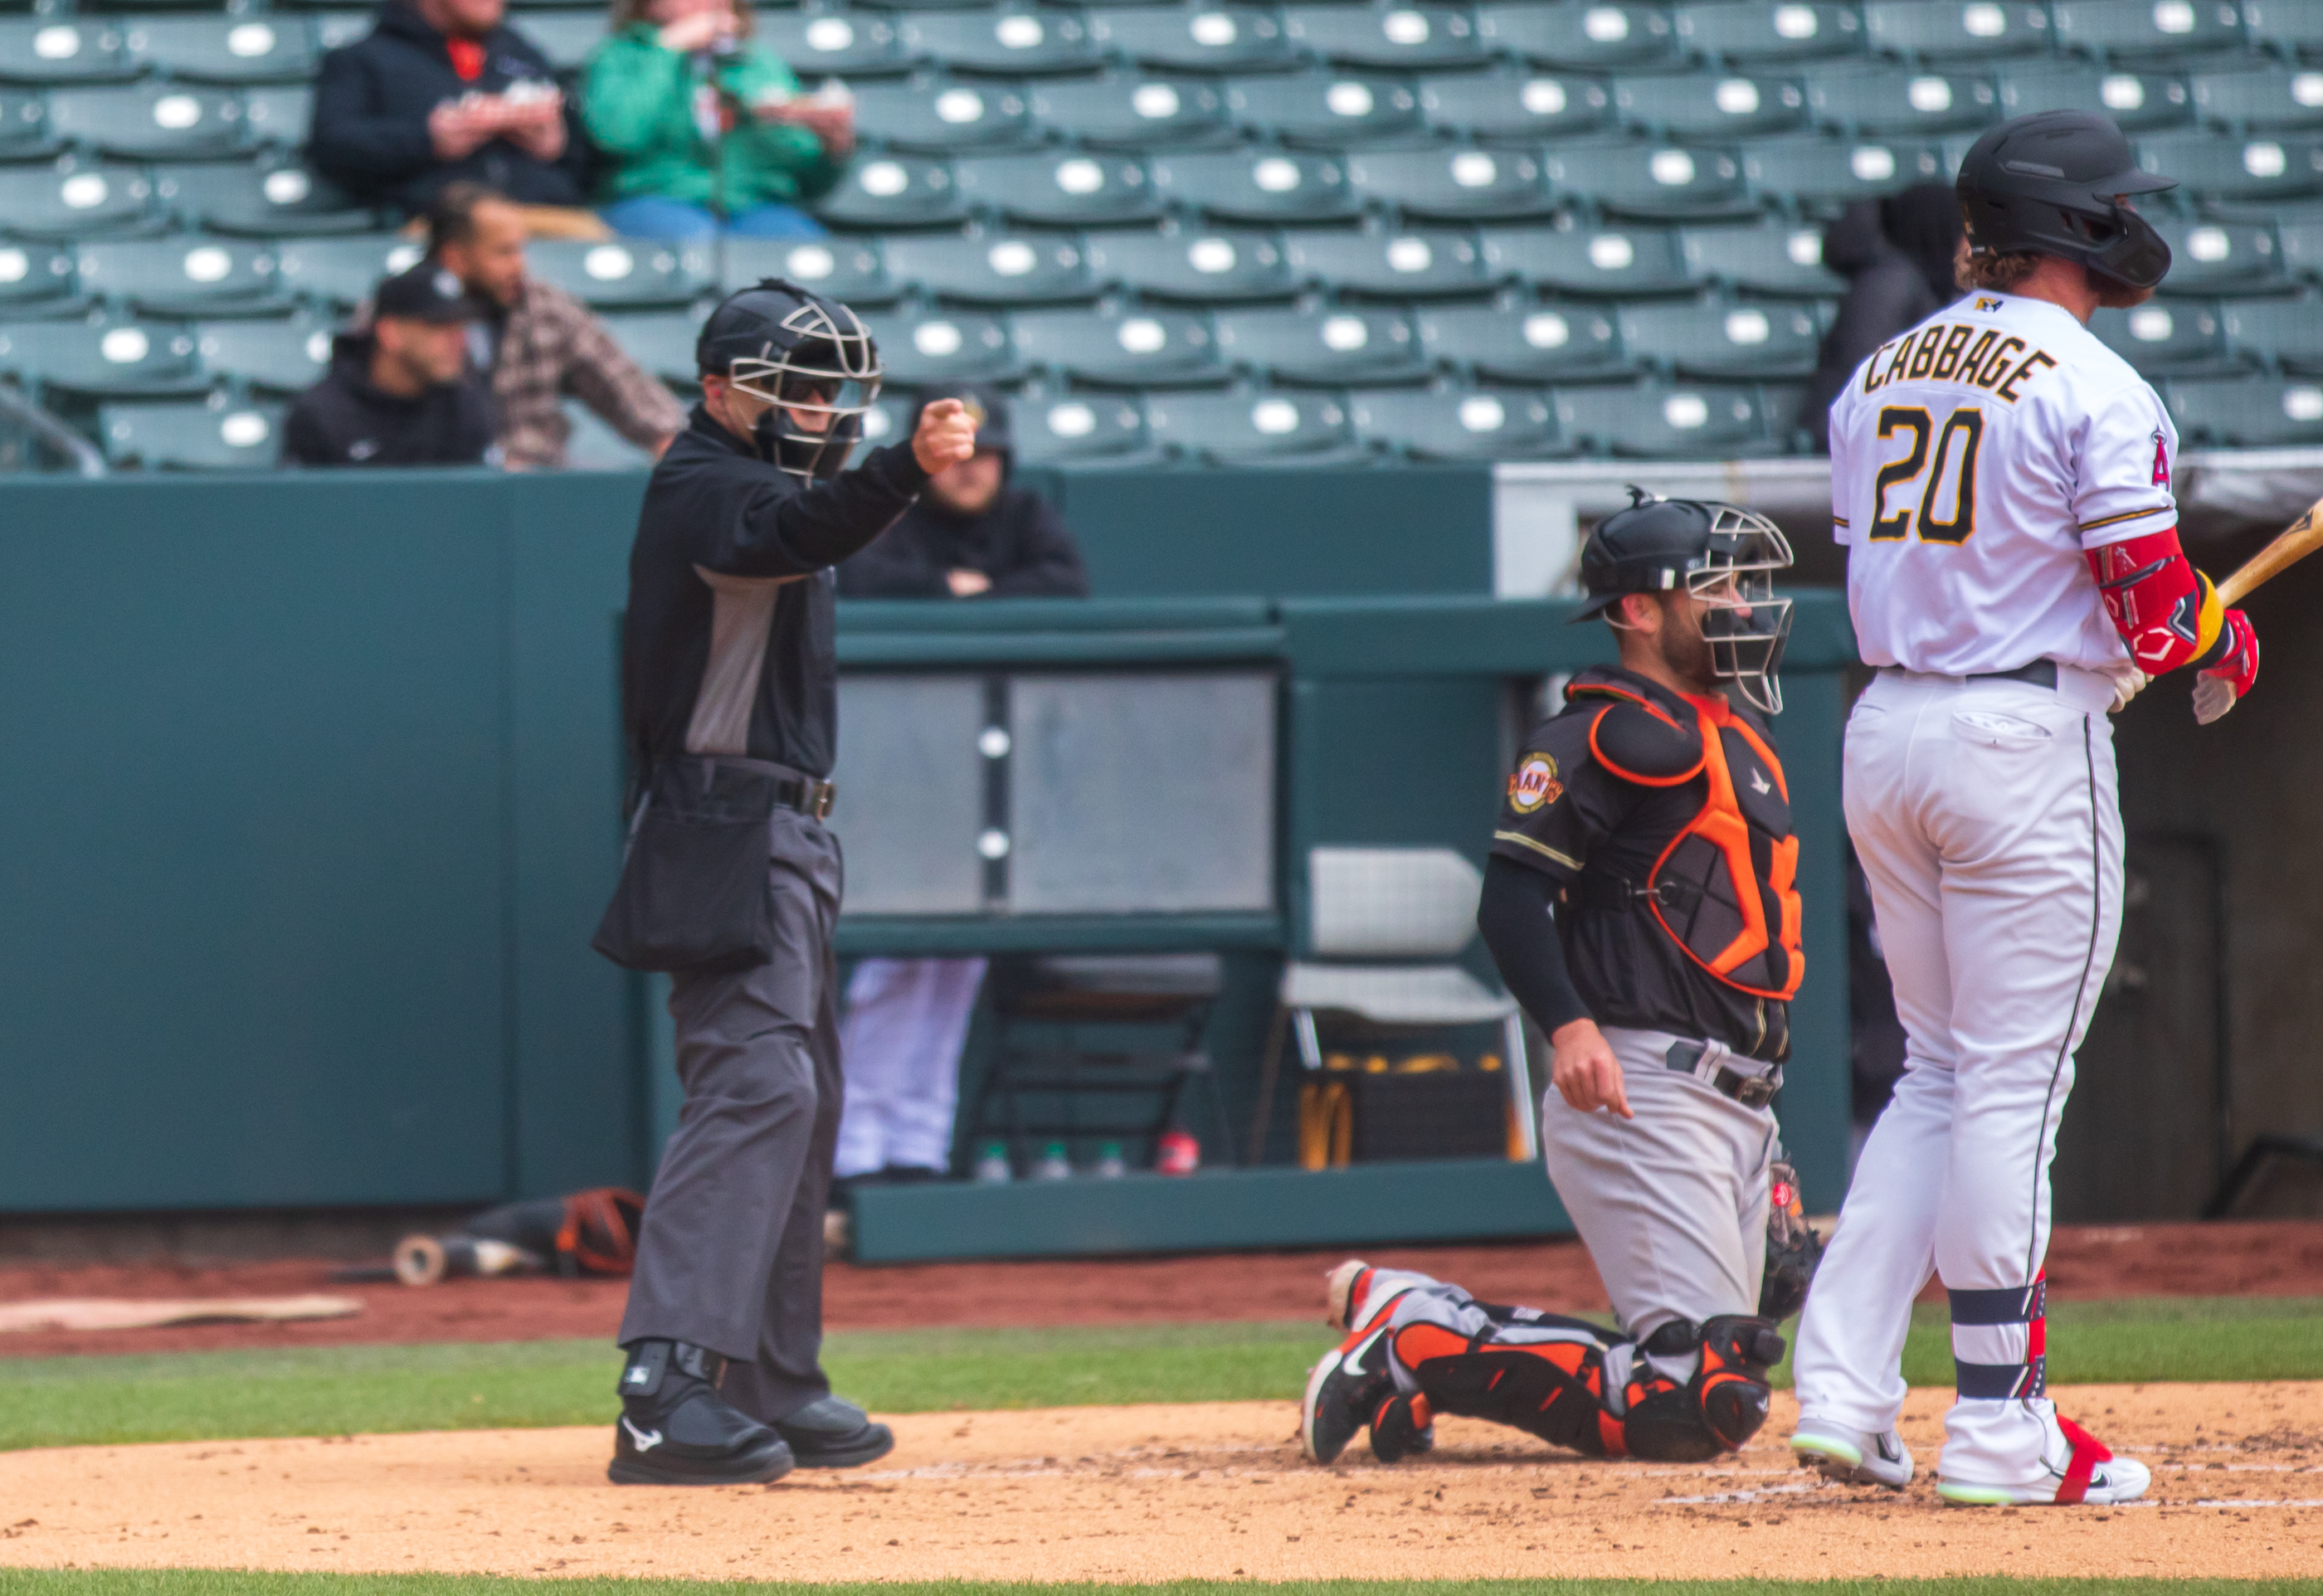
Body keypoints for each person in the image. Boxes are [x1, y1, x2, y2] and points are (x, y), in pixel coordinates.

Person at [1794, 110, 2257, 1507]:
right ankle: (2000, 1423)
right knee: (2006, 1078)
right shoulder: (2094, 382)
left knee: (1938, 1071)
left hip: (1889, 726)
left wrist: (2144, 631)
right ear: (2077, 229)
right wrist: (2216, 639)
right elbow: (2153, 604)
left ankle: (1842, 1390)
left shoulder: (1880, 366)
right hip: (2016, 736)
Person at [1300, 491, 1803, 1467]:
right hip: (1639, 1076)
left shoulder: (1737, 737)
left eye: (1743, 583)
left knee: (1738, 1343)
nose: (1743, 606)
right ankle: (1417, 1331)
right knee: (1695, 1400)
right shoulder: (1602, 732)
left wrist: (1772, 1138)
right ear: (1639, 611)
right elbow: (1509, 901)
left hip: (1737, 1094)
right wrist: (1568, 1027)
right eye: (1717, 586)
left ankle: (1413, 1339)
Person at [597, 278, 977, 1487]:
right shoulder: (705, 484)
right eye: (794, 388)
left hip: (785, 831)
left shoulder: (773, 483)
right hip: (722, 822)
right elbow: (791, 532)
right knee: (757, 1081)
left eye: (830, 391)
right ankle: (664, 1390)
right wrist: (908, 468)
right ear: (720, 391)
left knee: (803, 1094)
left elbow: (807, 517)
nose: (818, 408)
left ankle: (769, 1381)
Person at [830, 387, 1089, 1190]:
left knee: (960, 962)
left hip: (992, 780)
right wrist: (959, 594)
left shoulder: (1026, 517)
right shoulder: (889, 512)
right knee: (898, 961)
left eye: (989, 454)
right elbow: (868, 585)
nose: (976, 470)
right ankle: (853, 1150)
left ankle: (916, 1146)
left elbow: (1066, 588)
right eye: (961, 454)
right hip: (903, 772)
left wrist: (966, 591)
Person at [426, 182, 685, 469]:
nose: (518, 265)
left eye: (520, 250)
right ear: (455, 257)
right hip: (429, 492)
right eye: (503, 252)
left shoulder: (546, 309)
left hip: (534, 490)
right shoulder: (398, 318)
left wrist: (671, 445)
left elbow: (632, 393)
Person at [582, 0, 852, 242]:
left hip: (756, 205)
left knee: (806, 251)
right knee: (702, 246)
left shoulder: (757, 61)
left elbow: (810, 180)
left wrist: (833, 146)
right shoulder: (620, 55)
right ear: (651, 6)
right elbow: (617, 135)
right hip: (653, 198)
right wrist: (667, 49)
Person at [311, 0, 596, 227]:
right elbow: (332, 146)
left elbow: (592, 154)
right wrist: (427, 139)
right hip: (439, 227)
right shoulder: (363, 58)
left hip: (546, 216)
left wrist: (557, 144)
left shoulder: (522, 53)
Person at [836, 387, 1089, 601]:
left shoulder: (1025, 511)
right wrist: (942, 584)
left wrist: (986, 592)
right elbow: (854, 576)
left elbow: (1068, 580)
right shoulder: (894, 514)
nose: (969, 469)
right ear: (922, 460)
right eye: (953, 454)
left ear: (1004, 461)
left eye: (983, 454)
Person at [281, 261, 496, 467]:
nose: (459, 341)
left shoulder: (464, 407)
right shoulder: (322, 415)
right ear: (390, 333)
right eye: (438, 326)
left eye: (460, 327)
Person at [1804, 185, 1964, 452]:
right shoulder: (1889, 285)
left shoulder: (1914, 280)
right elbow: (1863, 379)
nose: (1970, 246)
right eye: (1964, 231)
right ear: (1937, 229)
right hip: (1850, 449)